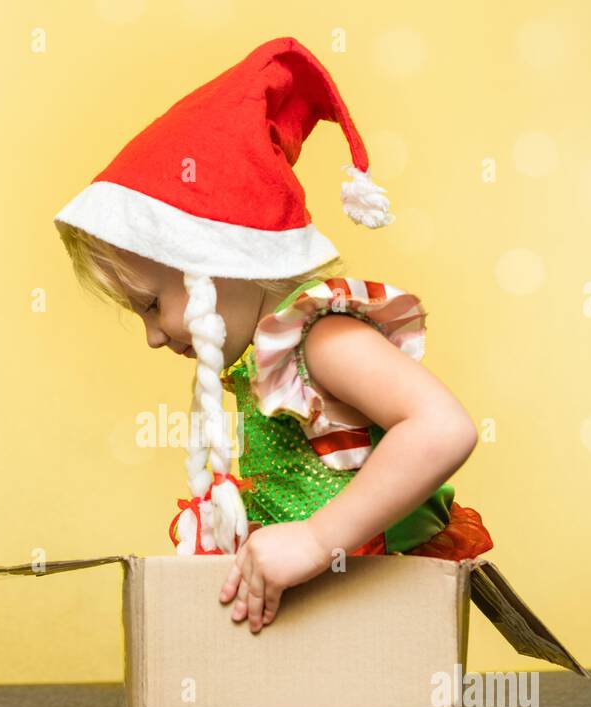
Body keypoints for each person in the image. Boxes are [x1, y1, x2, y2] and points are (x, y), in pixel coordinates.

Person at [54, 36, 492, 634]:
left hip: (378, 600)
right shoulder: (260, 358)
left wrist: (317, 539)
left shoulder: (320, 339)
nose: (155, 338)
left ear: (217, 261)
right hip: (335, 607)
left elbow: (444, 429)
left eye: (154, 305)